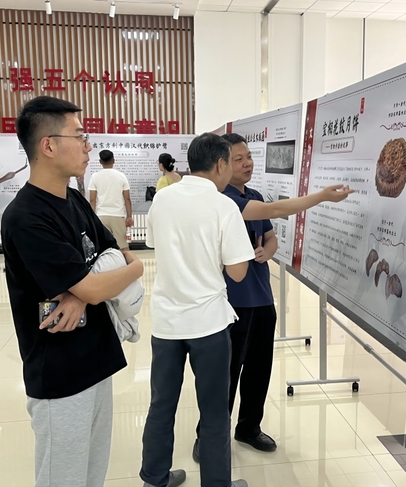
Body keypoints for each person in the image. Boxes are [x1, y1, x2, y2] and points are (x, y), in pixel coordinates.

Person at [1, 96, 144, 487]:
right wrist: (131, 270)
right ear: (48, 145)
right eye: (79, 136)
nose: (88, 146)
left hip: (97, 358)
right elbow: (114, 271)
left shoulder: (75, 200)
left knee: (93, 474)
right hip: (60, 375)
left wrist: (83, 291)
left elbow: (112, 254)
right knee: (63, 479)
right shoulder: (26, 216)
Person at [192, 133, 355, 460]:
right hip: (231, 301)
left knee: (259, 368)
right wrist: (321, 196)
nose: (247, 163)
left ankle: (249, 427)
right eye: (238, 159)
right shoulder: (223, 199)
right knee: (225, 374)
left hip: (262, 297)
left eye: (249, 156)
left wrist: (267, 251)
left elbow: (270, 237)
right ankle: (209, 435)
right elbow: (277, 209)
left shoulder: (252, 194)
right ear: (222, 164)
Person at [140, 133, 254, 487]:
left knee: (161, 405)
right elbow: (238, 271)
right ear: (220, 165)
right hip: (208, 325)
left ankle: (155, 478)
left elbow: (154, 244)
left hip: (167, 323)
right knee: (215, 411)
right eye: (231, 163)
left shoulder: (163, 198)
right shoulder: (224, 206)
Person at [89, 150, 134, 250]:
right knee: (123, 248)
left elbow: (92, 200)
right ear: (113, 160)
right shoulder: (121, 176)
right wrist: (129, 216)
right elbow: (127, 198)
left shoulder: (95, 177)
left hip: (101, 216)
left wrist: (91, 218)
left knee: (103, 248)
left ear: (100, 161)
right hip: (118, 215)